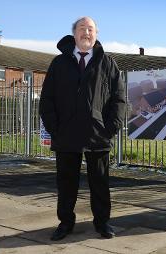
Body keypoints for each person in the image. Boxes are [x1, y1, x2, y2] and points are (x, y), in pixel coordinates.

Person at [39, 16, 126, 240]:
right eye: (81, 28)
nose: (86, 33)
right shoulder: (59, 63)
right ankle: (65, 223)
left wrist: (111, 128)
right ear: (74, 34)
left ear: (96, 34)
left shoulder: (108, 63)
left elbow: (119, 99)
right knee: (66, 184)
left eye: (90, 29)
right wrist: (54, 128)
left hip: (98, 135)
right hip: (66, 136)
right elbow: (47, 99)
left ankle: (102, 223)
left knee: (100, 183)